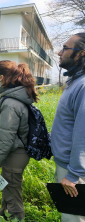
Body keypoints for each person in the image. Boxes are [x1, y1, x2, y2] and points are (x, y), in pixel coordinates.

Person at [0, 60, 38, 221]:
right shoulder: (10, 98)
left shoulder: (10, 103)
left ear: (2, 77)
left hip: (14, 155)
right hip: (13, 154)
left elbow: (5, 139)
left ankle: (16, 218)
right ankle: (4, 217)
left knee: (12, 197)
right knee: (8, 192)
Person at [51, 33, 85, 222]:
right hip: (69, 166)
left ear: (81, 54)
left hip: (74, 172)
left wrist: (73, 175)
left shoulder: (83, 85)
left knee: (73, 218)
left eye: (65, 48)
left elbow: (83, 134)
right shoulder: (75, 82)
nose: (59, 52)